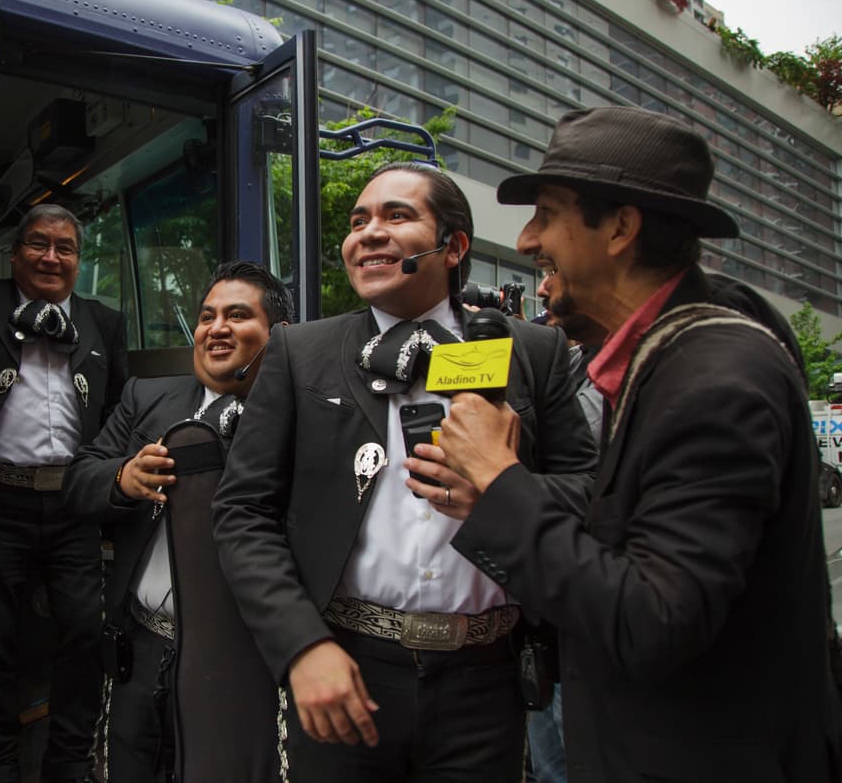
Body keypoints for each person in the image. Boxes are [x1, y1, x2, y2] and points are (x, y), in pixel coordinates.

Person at [437, 106, 842, 782]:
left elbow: (654, 621)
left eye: (547, 212)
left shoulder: (715, 381)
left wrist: (500, 481)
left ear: (622, 227)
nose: (530, 238)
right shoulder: (666, 361)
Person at [211, 161, 599, 781]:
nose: (368, 233)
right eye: (358, 221)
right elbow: (242, 512)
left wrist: (502, 491)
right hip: (345, 671)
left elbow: (591, 493)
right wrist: (301, 648)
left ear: (455, 247)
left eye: (397, 216)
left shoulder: (534, 352)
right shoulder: (298, 352)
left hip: (489, 680)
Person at [64, 260, 294, 782]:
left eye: (237, 315)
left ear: (277, 334)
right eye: (207, 316)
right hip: (141, 647)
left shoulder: (300, 414)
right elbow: (77, 480)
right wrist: (122, 478)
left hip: (241, 661)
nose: (216, 328)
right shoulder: (146, 396)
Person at [0, 203, 129, 783]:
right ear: (15, 253)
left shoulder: (103, 321)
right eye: (38, 244)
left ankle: (68, 762)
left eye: (65, 247)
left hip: (73, 502)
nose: (51, 257)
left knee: (84, 633)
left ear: (78, 259)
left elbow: (117, 410)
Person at [525, 271, 607, 783]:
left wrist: (495, 480)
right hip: (543, 621)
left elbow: (574, 462)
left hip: (593, 620)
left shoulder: (629, 371)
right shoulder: (569, 360)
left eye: (555, 268)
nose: (542, 291)